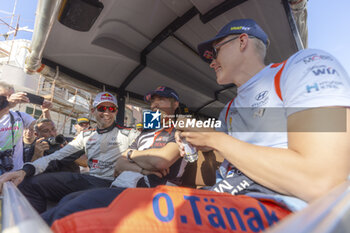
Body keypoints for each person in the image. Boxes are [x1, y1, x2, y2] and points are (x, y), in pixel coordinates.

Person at [50, 19, 350, 232]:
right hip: (225, 197)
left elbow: (321, 180)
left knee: (80, 213)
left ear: (242, 41)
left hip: (287, 212)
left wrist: (217, 140)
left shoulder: (303, 66)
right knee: (77, 202)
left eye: (215, 51)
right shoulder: (229, 109)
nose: (211, 61)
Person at [40, 86, 184, 225]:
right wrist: (142, 165)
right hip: (122, 187)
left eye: (162, 99)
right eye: (153, 101)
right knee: (66, 201)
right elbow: (120, 164)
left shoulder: (181, 130)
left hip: (149, 194)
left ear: (175, 104)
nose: (155, 104)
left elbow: (160, 162)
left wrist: (131, 155)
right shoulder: (145, 134)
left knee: (66, 211)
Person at [0, 91, 138, 213]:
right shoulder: (85, 136)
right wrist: (24, 171)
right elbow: (56, 157)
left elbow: (150, 159)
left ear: (116, 111)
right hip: (90, 179)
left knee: (67, 204)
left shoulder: (130, 134)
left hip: (113, 184)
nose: (107, 112)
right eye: (102, 108)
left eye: (112, 108)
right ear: (93, 110)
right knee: (29, 184)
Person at [0, 81, 51, 173]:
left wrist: (46, 111)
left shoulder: (19, 116)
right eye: (5, 97)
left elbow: (43, 128)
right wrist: (8, 104)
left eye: (11, 96)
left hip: (16, 171)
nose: (10, 99)